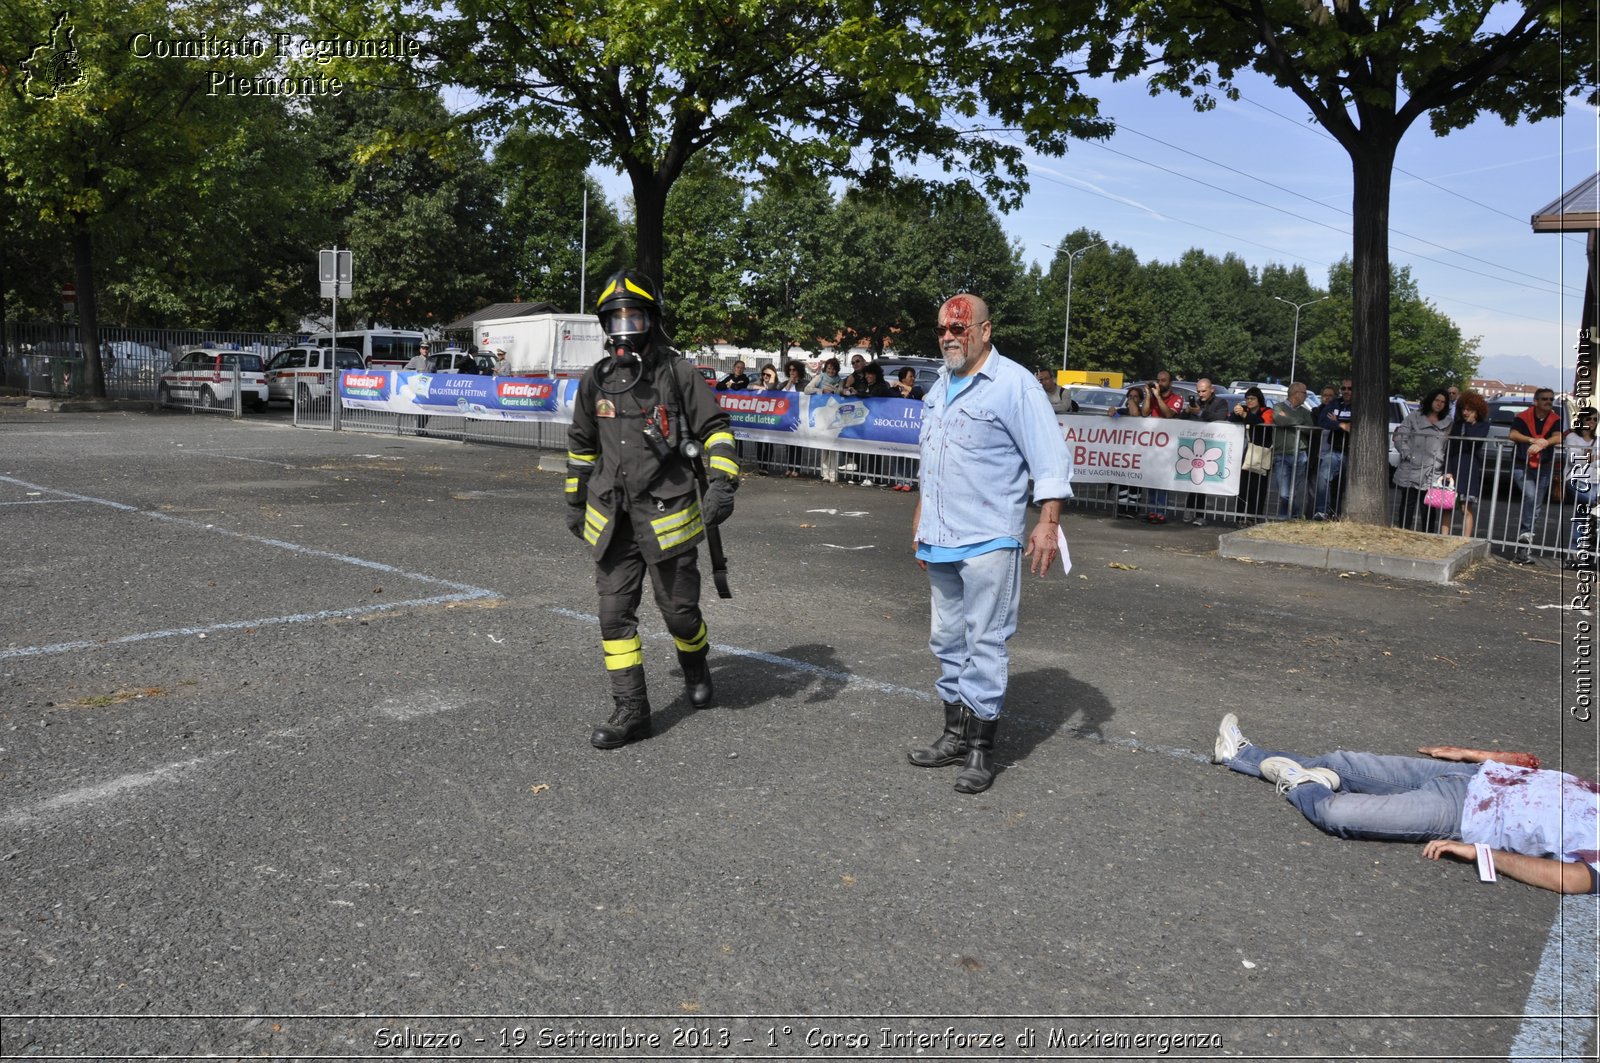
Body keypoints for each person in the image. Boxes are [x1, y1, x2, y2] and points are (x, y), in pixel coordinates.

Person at [565, 269, 740, 749]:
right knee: (613, 616)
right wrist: (574, 498)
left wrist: (723, 482)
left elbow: (717, 429)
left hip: (666, 518)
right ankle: (632, 710)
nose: (624, 326)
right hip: (613, 521)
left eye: (633, 315)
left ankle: (695, 659)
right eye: (615, 318)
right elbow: (581, 445)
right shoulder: (595, 381)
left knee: (679, 613)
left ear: (651, 320)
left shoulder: (679, 374)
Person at [909, 294, 1072, 795]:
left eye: (959, 328)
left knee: (985, 639)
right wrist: (919, 518)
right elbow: (931, 460)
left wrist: (1048, 522)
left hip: (989, 538)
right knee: (947, 639)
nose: (949, 337)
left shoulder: (1014, 385)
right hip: (940, 536)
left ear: (985, 330)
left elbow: (1049, 457)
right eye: (942, 329)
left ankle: (981, 749)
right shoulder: (941, 385)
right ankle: (954, 734)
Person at [1212, 714, 1600, 895]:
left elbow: (1571, 880)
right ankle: (1240, 754)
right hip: (1477, 776)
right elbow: (1543, 776)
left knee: (1337, 813)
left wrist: (1481, 853)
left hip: (1460, 814)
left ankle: (1298, 784)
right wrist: (1473, 754)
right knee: (1343, 762)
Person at [1509, 388, 1565, 564]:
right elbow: (1513, 434)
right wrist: (1533, 440)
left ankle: (1523, 550)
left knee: (1536, 508)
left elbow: (1559, 437)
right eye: (1545, 399)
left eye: (1551, 399)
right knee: (1530, 496)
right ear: (1536, 401)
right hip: (1522, 465)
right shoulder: (1523, 417)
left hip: (1544, 467)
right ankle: (1524, 541)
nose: (1548, 401)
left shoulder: (1555, 419)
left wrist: (1545, 442)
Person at [1393, 387, 1452, 532]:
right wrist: (1408, 454)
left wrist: (1443, 464)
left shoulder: (1448, 422)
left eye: (1443, 402)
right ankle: (1404, 531)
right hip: (1411, 465)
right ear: (1431, 400)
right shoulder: (1414, 416)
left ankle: (1428, 534)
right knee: (1408, 502)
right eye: (1437, 400)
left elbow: (1450, 445)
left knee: (1429, 505)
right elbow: (1401, 437)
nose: (1439, 404)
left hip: (1433, 468)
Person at [1182, 377, 1231, 525]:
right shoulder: (1196, 403)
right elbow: (1181, 419)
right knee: (1193, 481)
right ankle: (1190, 510)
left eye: (1203, 391)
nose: (1200, 394)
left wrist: (1200, 413)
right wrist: (1186, 411)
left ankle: (1200, 515)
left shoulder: (1220, 402)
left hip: (1211, 447)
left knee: (1203, 482)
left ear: (1211, 390)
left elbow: (1219, 417)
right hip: (1194, 446)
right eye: (1198, 391)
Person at [1138, 370, 1186, 523]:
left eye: (1163, 380)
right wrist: (1148, 395)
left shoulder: (1177, 398)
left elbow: (1169, 414)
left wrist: (1158, 397)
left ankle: (1161, 511)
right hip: (1153, 444)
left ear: (1170, 383)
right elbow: (1144, 413)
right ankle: (1152, 510)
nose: (1160, 383)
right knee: (1152, 478)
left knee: (1163, 480)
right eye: (1158, 380)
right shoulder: (1152, 398)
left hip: (1168, 446)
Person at [1445, 389, 1490, 539]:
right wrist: (1448, 469)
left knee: (1466, 507)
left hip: (1470, 466)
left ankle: (1466, 538)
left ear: (1477, 410)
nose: (1465, 413)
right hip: (1455, 464)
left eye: (1469, 410)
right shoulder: (1457, 424)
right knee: (1448, 505)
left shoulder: (1483, 425)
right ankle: (1444, 536)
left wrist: (1470, 426)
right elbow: (1450, 448)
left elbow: (1475, 443)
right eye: (1463, 409)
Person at [1229, 387, 1274, 522]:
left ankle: (1255, 516)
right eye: (1247, 398)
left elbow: (1262, 422)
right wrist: (1236, 413)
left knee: (1258, 486)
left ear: (1259, 399)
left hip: (1261, 453)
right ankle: (1239, 516)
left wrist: (1244, 415)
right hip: (1245, 452)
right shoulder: (1244, 410)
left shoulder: (1267, 411)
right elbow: (1231, 419)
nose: (1249, 401)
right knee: (1242, 486)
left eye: (1252, 398)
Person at [1270, 382, 1314, 519]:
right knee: (1284, 492)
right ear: (1295, 394)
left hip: (1300, 454)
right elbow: (1279, 419)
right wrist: (1298, 421)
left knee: (1293, 491)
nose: (1306, 395)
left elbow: (1310, 429)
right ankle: (1294, 514)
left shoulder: (1305, 412)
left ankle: (1286, 516)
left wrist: (1289, 420)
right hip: (1281, 454)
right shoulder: (1278, 407)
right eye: (1304, 392)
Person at [1311, 378, 1353, 520]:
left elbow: (1356, 427)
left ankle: (1339, 515)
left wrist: (1336, 421)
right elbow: (1323, 420)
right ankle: (1322, 512)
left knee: (1342, 488)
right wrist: (1342, 425)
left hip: (1354, 453)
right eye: (1344, 388)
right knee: (1324, 477)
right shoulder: (1335, 403)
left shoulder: (1361, 404)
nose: (1346, 391)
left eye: (1350, 388)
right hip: (1335, 450)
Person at [1564, 408, 1596, 567]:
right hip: (1576, 480)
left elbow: (1595, 463)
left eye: (1595, 419)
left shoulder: (1597, 441)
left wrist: (1589, 457)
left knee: (1581, 514)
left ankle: (1576, 552)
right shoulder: (1572, 437)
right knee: (1591, 501)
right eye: (1589, 419)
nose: (1592, 422)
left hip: (1594, 481)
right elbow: (1573, 459)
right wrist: (1591, 458)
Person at [1110, 385, 1148, 519]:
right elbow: (1111, 422)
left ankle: (1132, 508)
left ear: (1140, 399)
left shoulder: (1144, 413)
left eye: (1135, 397)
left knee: (1135, 483)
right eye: (1130, 396)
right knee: (1123, 481)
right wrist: (1112, 412)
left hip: (1138, 453)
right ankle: (1121, 507)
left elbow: (1135, 415)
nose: (1132, 399)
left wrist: (1132, 403)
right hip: (1123, 454)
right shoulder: (1122, 412)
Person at [403, 342, 433, 434]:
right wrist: (415, 375)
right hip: (418, 390)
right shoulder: (415, 360)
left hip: (428, 390)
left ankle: (421, 428)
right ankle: (419, 429)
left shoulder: (432, 361)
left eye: (427, 348)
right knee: (420, 410)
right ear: (420, 349)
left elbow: (435, 375)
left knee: (429, 411)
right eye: (423, 348)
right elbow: (405, 370)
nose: (425, 350)